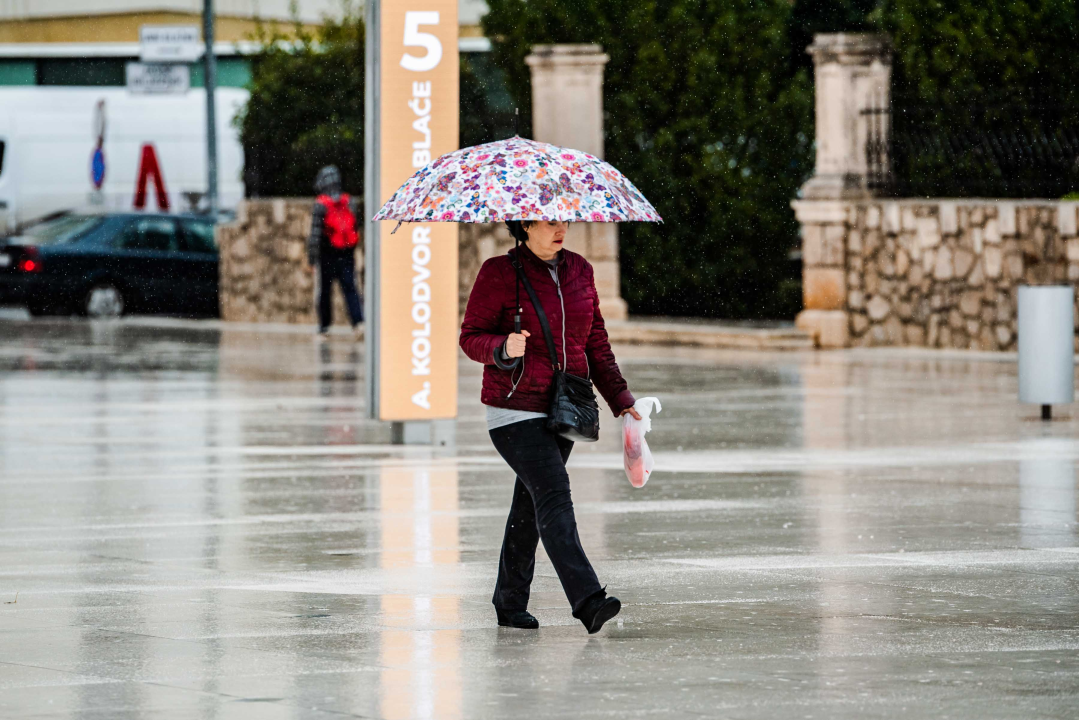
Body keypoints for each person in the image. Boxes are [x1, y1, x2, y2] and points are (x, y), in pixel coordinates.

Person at [460, 219, 643, 634]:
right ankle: (588, 600)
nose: (561, 228)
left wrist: (620, 397)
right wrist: (502, 347)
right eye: (549, 220)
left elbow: (595, 341)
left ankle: (509, 602)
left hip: (565, 407)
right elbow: (471, 336)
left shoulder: (580, 270)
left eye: (564, 219)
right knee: (555, 495)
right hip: (514, 410)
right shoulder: (499, 273)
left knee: (530, 506)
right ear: (523, 225)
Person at [307, 165, 363, 337]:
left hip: (327, 254)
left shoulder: (321, 204)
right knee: (350, 288)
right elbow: (355, 226)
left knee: (325, 291)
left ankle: (324, 327)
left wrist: (312, 258)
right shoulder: (349, 201)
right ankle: (358, 323)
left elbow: (315, 234)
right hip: (346, 252)